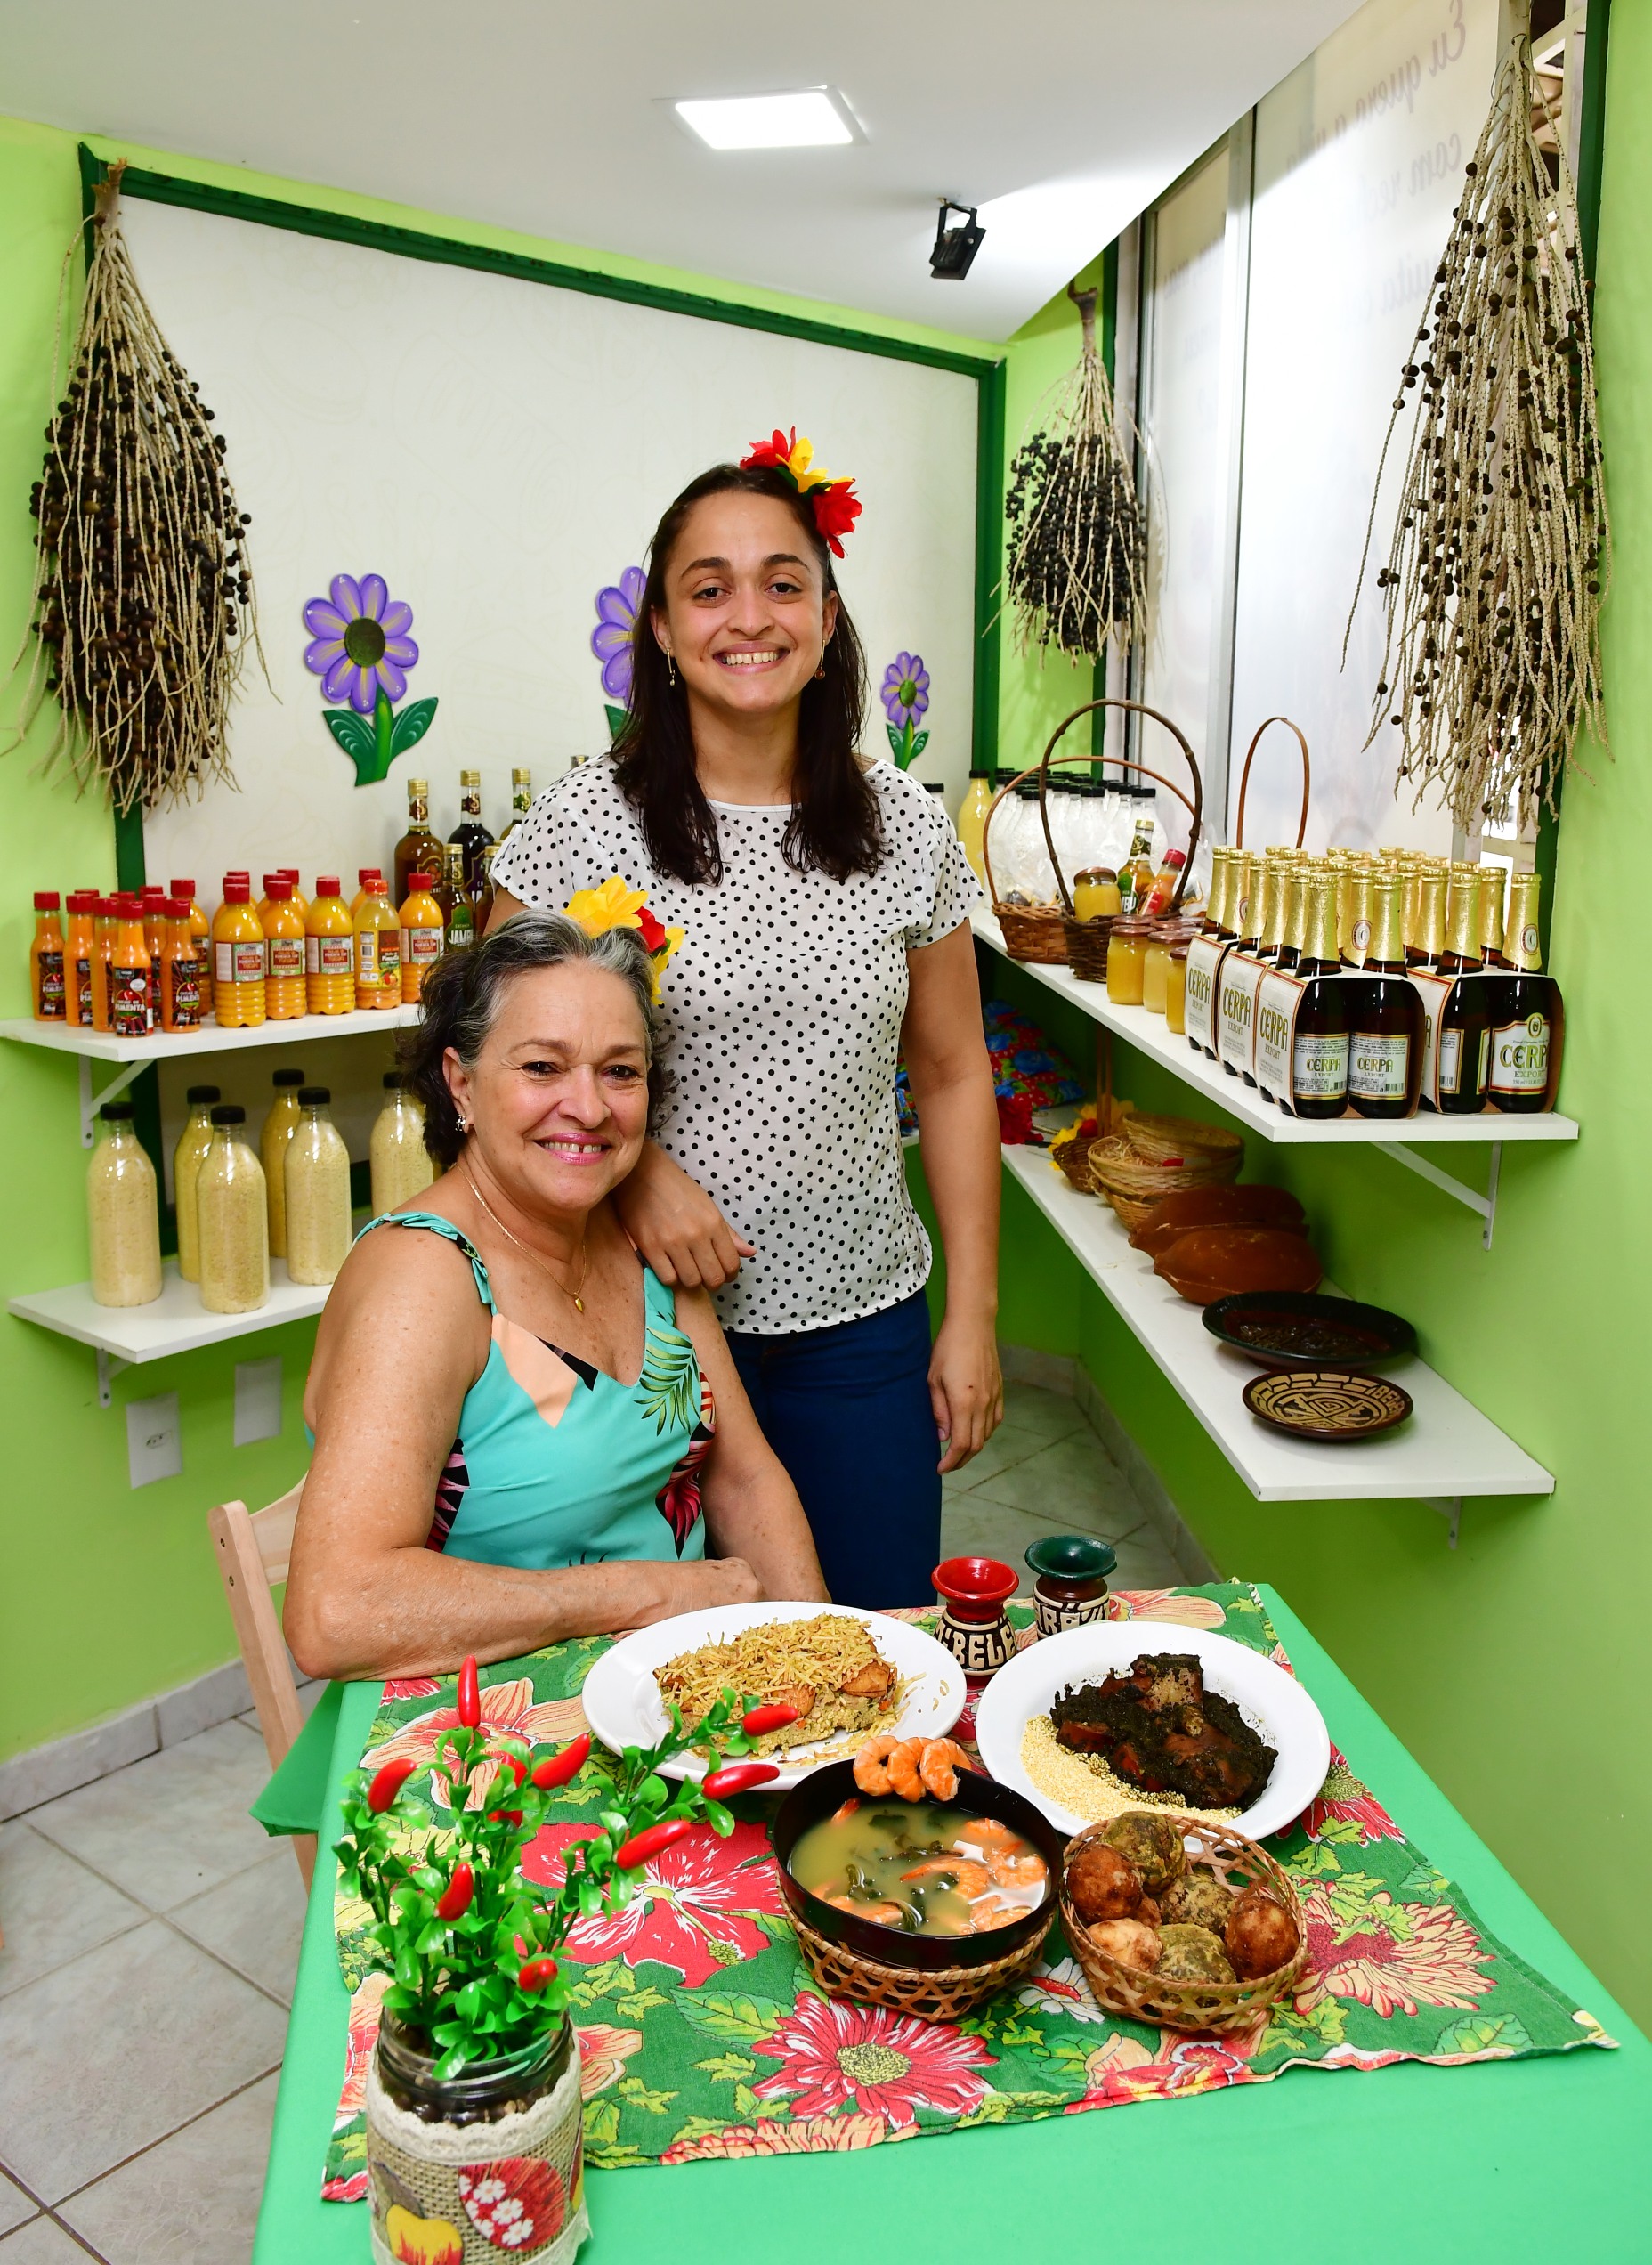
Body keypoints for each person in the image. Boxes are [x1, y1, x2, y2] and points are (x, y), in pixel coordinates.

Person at [489, 429, 1002, 1607]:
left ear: (828, 623)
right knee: (672, 1670)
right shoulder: (585, 823)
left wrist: (971, 1316)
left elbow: (955, 1071)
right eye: (707, 588)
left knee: (879, 1647)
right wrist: (638, 1176)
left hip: (860, 1327)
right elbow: (485, 1064)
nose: (749, 616)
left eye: (784, 583)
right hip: (631, 1322)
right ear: (662, 631)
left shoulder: (904, 826)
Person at [282, 912, 827, 1681]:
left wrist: (821, 1666)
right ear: (460, 1082)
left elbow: (743, 1478)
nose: (590, 1107)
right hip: (467, 1743)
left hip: (659, 1706)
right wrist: (640, 1593)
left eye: (620, 1071)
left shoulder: (642, 1244)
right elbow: (335, 1616)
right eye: (542, 1068)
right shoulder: (424, 1276)